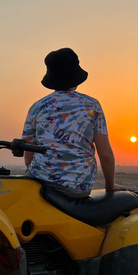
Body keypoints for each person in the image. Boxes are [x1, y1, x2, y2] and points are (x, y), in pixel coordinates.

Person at [22, 47, 126, 198]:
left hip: (39, 182)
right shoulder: (92, 105)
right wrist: (110, 186)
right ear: (76, 78)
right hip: (77, 187)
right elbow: (106, 155)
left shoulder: (36, 107)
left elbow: (28, 154)